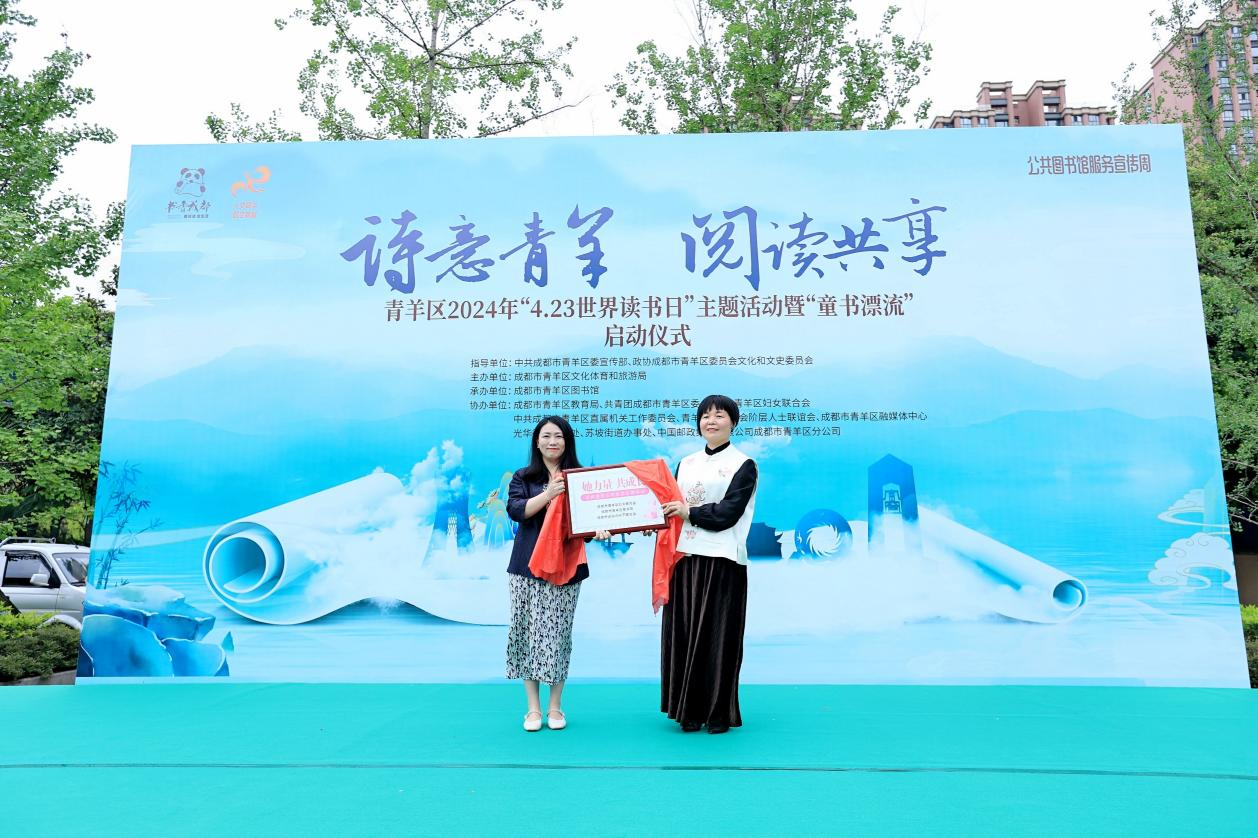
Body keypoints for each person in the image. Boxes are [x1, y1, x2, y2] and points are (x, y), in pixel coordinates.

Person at [659, 395, 758, 734]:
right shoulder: (685, 463)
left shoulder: (744, 464)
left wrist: (689, 512)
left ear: (734, 422)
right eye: (705, 416)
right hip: (684, 557)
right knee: (685, 634)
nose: (711, 421)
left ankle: (718, 712)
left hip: (722, 559)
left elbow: (729, 513)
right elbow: (669, 507)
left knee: (718, 636)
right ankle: (687, 710)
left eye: (719, 415)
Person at [505, 415, 607, 732]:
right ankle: (532, 709)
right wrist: (548, 494)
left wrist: (599, 530)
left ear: (567, 442)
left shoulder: (582, 478)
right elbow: (516, 511)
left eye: (559, 436)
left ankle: (555, 706)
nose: (553, 441)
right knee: (526, 632)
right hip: (526, 566)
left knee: (558, 635)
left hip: (566, 568)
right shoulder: (523, 477)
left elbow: (586, 525)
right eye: (547, 436)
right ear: (537, 442)